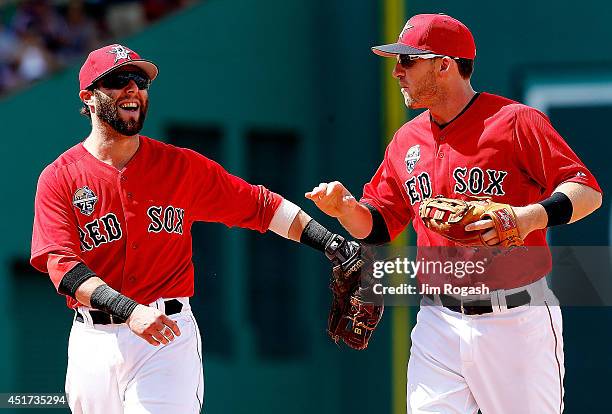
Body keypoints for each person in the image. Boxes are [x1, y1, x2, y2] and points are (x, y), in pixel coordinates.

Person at [306, 14, 602, 414]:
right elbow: (378, 225)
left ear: (444, 64)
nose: (396, 72)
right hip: (437, 322)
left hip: (514, 319)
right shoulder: (407, 140)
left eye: (408, 61)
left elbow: (586, 191)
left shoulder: (514, 122)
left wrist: (527, 218)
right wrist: (345, 209)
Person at [30, 43, 350, 414]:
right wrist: (128, 309)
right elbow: (62, 266)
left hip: (165, 335)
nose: (133, 89)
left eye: (139, 81)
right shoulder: (60, 177)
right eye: (119, 80)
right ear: (89, 97)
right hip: (93, 342)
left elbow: (262, 206)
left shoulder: (180, 167)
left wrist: (331, 243)